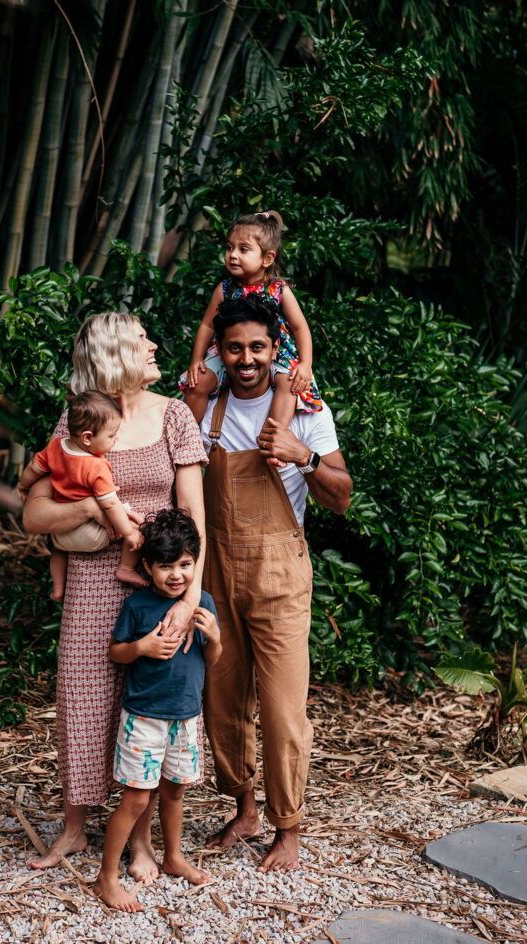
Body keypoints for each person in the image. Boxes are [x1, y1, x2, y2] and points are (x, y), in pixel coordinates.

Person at [22, 312, 207, 877]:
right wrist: (94, 508)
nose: (155, 344)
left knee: (149, 698)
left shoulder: (175, 416)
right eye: (143, 339)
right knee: (84, 697)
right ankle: (74, 829)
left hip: (162, 581)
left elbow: (197, 516)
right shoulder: (78, 421)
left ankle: (142, 841)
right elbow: (32, 514)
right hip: (92, 582)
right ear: (116, 353)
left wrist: (186, 597)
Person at [194, 294, 352, 873]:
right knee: (223, 701)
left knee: (284, 711)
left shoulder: (306, 411)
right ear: (222, 351)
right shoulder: (205, 412)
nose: (246, 359)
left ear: (275, 348)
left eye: (257, 347)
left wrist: (303, 456)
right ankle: (244, 809)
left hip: (281, 574)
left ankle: (288, 827)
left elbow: (342, 495)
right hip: (215, 573)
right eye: (234, 348)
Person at [92, 509, 221, 913]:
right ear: (147, 566)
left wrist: (214, 637)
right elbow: (116, 652)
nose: (177, 574)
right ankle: (106, 878)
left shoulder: (204, 603)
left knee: (175, 792)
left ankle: (174, 856)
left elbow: (212, 660)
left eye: (185, 565)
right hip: (145, 718)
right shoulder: (138, 606)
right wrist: (142, 647)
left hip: (186, 716)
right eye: (166, 566)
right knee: (135, 798)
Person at [179, 210, 322, 433]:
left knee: (289, 385)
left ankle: (273, 438)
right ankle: (182, 435)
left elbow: (300, 327)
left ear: (268, 258)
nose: (233, 255)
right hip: (229, 351)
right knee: (199, 382)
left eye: (243, 249)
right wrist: (197, 359)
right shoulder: (225, 289)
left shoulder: (279, 290)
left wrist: (305, 364)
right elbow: (207, 325)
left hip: (276, 352)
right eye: (229, 248)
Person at [16, 390, 147, 601]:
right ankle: (125, 568)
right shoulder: (97, 466)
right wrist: (129, 533)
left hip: (61, 533)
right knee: (135, 522)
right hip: (90, 535)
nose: (116, 439)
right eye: (111, 435)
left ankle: (58, 589)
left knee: (57, 550)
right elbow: (110, 504)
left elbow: (34, 467)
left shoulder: (55, 446)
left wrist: (22, 485)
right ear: (88, 438)